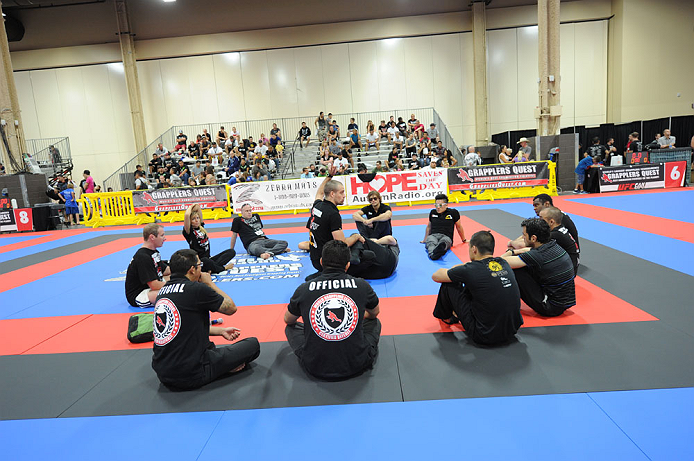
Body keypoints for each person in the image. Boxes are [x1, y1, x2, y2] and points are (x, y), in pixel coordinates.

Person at [151, 249, 260, 391]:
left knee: (210, 347)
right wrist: (210, 284)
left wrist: (220, 331)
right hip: (192, 373)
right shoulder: (196, 289)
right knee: (253, 345)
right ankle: (220, 370)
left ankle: (218, 364)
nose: (201, 268)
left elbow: (181, 327)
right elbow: (231, 308)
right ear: (192, 270)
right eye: (199, 264)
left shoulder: (163, 291)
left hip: (163, 372)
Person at [284, 240, 381, 380]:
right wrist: (355, 318)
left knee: (291, 328)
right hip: (357, 363)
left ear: (322, 262)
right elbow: (374, 313)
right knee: (374, 322)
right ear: (348, 264)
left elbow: (288, 319)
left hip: (314, 365)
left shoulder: (304, 288)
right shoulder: (362, 285)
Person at [431, 230, 522, 345]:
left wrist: (459, 268)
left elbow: (436, 276)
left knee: (449, 283)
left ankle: (446, 317)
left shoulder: (470, 269)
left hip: (483, 335)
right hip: (511, 331)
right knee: (480, 285)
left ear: (474, 249)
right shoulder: (503, 263)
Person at [501, 218, 576, 317]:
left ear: (533, 238)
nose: (523, 238)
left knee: (514, 269)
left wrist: (511, 252)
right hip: (565, 302)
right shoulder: (553, 245)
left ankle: (505, 302)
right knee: (524, 264)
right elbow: (529, 250)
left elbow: (499, 262)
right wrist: (519, 251)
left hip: (551, 307)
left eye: (524, 235)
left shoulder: (537, 255)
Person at [306, 168, 365, 276]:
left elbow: (319, 193)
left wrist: (329, 176)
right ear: (332, 194)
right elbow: (342, 244)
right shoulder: (333, 214)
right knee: (366, 256)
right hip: (326, 262)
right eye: (341, 192)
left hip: (314, 257)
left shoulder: (317, 206)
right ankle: (326, 274)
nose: (344, 195)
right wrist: (356, 236)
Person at [508, 193, 580, 251]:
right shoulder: (553, 215)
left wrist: (511, 243)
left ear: (547, 204)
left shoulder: (556, 220)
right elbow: (529, 233)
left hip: (565, 256)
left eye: (537, 205)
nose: (534, 208)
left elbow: (529, 243)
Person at [125, 223, 170, 308]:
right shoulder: (143, 257)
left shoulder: (154, 252)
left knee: (183, 278)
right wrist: (177, 284)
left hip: (150, 286)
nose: (165, 238)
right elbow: (154, 285)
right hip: (140, 294)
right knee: (175, 293)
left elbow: (166, 271)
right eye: (162, 235)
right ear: (152, 237)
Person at [183, 204, 236, 274]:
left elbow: (198, 208)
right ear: (190, 222)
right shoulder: (189, 232)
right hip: (200, 261)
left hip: (209, 259)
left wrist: (195, 205)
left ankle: (212, 268)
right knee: (205, 261)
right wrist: (190, 207)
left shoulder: (201, 227)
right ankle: (222, 268)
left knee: (231, 252)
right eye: (193, 219)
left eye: (197, 218)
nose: (196, 220)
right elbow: (187, 215)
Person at [421, 194, 466, 260]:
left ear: (446, 205)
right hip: (433, 235)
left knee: (444, 242)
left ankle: (438, 250)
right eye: (436, 205)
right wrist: (424, 240)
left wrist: (464, 240)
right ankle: (433, 254)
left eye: (440, 205)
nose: (438, 207)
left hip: (446, 236)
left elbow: (459, 227)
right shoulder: (432, 212)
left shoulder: (453, 213)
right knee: (430, 242)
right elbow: (429, 227)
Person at [539, 206, 579, 275]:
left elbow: (533, 244)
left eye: (541, 219)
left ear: (551, 222)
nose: (539, 221)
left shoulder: (555, 235)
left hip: (566, 272)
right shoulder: (559, 229)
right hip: (570, 267)